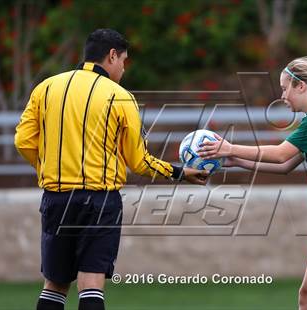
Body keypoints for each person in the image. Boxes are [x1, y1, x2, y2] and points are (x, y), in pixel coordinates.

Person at [15, 28, 208, 310]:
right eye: (123, 61)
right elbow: (139, 161)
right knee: (91, 285)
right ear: (112, 55)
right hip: (100, 201)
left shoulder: (46, 88)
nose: (123, 68)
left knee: (55, 285)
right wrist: (180, 172)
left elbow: (22, 140)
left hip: (56, 197)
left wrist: (50, 167)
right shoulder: (120, 97)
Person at [197, 56, 307, 310]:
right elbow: (284, 166)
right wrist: (234, 159)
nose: (283, 96)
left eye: (285, 88)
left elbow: (281, 152)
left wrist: (229, 147)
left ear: (300, 86)